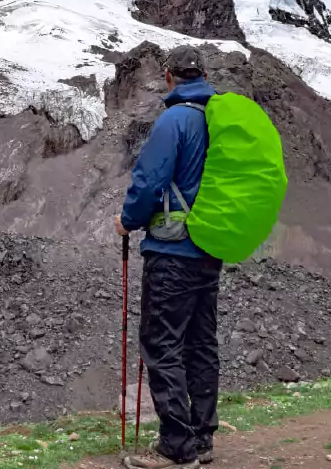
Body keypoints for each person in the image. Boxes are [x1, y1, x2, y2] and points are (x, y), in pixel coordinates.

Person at [115, 45, 221, 469]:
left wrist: (127, 221)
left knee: (163, 341)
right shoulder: (217, 121)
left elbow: (148, 182)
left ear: (169, 76)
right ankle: (202, 437)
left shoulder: (174, 120)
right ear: (204, 74)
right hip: (209, 248)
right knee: (200, 342)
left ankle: (177, 446)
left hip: (172, 249)